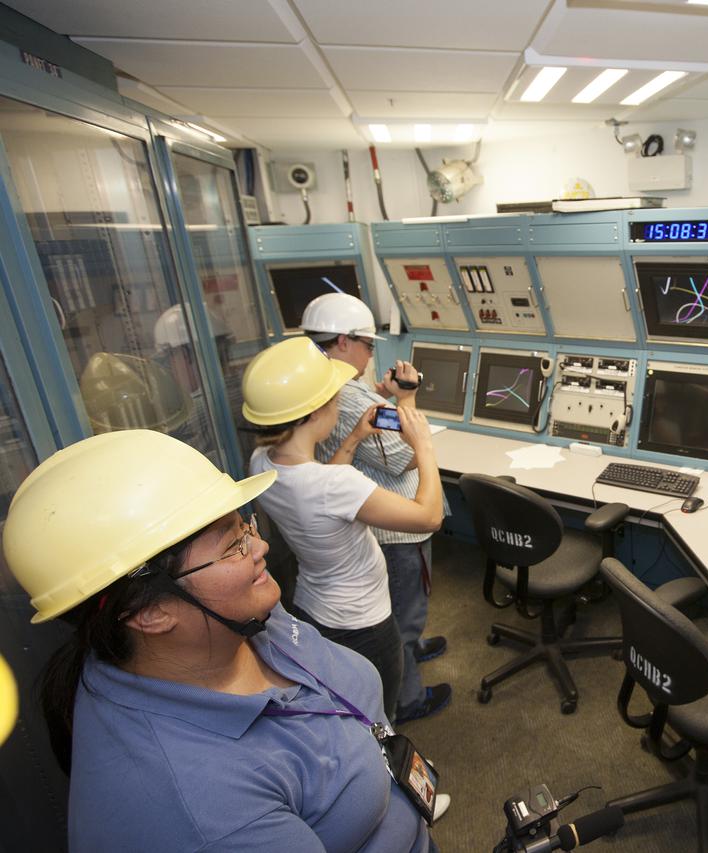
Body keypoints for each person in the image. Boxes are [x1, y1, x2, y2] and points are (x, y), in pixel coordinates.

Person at [6, 429, 440, 850]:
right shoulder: (201, 818)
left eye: (245, 526)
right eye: (234, 545)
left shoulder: (241, 617)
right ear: (149, 613)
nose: (261, 546)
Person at [241, 336, 447, 723]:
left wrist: (353, 438)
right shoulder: (334, 486)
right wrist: (424, 446)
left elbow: (321, 492)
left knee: (348, 703)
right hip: (364, 621)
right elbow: (429, 515)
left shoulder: (262, 461)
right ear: (315, 412)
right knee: (379, 718)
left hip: (314, 606)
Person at [302, 292, 451, 723]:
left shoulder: (331, 386)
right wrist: (407, 401)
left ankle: (413, 645)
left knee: (407, 605)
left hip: (377, 519)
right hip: (397, 530)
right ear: (344, 342)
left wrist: (383, 393)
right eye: (369, 345)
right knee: (403, 612)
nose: (371, 354)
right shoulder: (346, 396)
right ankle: (408, 699)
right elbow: (404, 455)